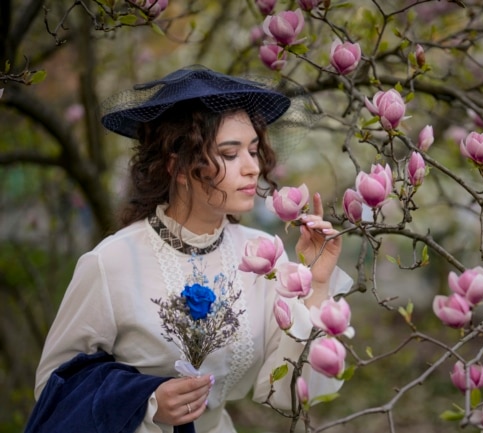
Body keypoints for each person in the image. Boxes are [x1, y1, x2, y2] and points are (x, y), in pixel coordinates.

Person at [30, 64, 352, 433]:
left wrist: (318, 284)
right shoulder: (110, 262)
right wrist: (147, 403)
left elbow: (288, 392)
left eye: (253, 149)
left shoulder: (262, 256)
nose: (252, 167)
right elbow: (54, 387)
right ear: (178, 167)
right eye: (230, 154)